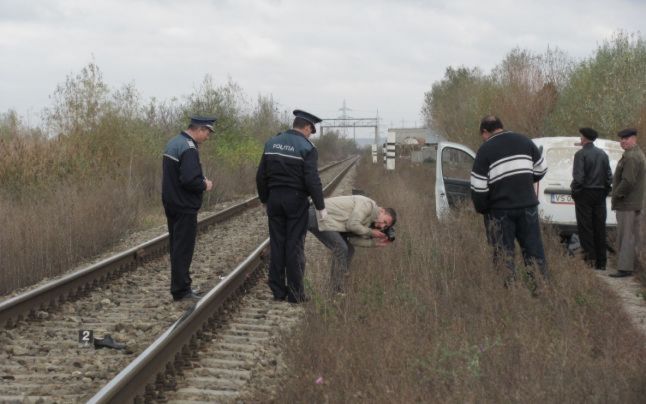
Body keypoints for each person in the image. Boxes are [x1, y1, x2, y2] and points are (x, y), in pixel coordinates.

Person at [256, 109, 326, 303]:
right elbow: (312, 179)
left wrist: (264, 199)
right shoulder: (307, 147)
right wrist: (321, 206)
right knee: (294, 245)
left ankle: (278, 291)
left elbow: (261, 175)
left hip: (275, 199)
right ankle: (295, 294)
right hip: (296, 201)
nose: (311, 134)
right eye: (311, 130)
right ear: (305, 127)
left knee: (277, 243)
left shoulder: (271, 142)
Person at [470, 115, 549, 282]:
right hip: (528, 206)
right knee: (534, 251)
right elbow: (541, 168)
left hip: (500, 210)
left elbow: (478, 187)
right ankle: (540, 288)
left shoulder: (485, 150)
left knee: (504, 254)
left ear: (485, 131)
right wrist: (526, 181)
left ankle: (508, 293)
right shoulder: (524, 141)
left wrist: (483, 208)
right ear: (500, 126)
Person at [162, 116, 215, 301]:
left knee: (176, 247)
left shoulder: (174, 143)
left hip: (171, 203)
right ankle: (182, 290)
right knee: (183, 249)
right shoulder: (189, 148)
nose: (207, 136)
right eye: (207, 132)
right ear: (199, 129)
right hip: (184, 206)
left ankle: (179, 287)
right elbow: (189, 179)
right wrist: (204, 184)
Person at [307, 195, 397, 293]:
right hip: (318, 216)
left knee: (349, 249)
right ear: (382, 211)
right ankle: (335, 290)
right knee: (341, 248)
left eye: (385, 226)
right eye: (384, 221)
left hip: (328, 221)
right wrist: (370, 232)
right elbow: (352, 225)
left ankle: (338, 284)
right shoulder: (367, 205)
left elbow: (351, 240)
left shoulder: (370, 220)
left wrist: (375, 243)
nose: (382, 225)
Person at [570, 127, 613, 270]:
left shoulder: (580, 155)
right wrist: (605, 191)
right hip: (600, 193)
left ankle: (590, 261)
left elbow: (579, 178)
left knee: (585, 227)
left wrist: (575, 192)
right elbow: (609, 177)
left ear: (584, 138)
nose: (580, 139)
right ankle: (602, 262)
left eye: (580, 137)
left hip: (585, 193)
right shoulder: (603, 154)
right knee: (599, 227)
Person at [609, 128, 646, 278]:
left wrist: (616, 194)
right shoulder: (633, 154)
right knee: (631, 236)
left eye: (626, 138)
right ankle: (634, 267)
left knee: (626, 236)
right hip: (633, 202)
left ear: (634, 139)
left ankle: (625, 269)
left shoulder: (631, 157)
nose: (623, 141)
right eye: (621, 139)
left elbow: (628, 181)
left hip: (628, 203)